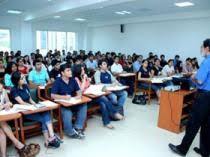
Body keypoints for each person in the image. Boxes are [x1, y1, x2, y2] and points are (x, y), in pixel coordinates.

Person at [168, 39, 210, 157]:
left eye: (202, 46)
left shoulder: (207, 61)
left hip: (204, 96)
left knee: (193, 123)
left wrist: (193, 77)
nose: (201, 48)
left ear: (207, 48)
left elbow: (200, 80)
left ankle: (182, 149)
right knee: (207, 124)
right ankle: (205, 151)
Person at [10, 71, 60, 148]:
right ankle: (50, 139)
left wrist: (36, 105)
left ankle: (50, 138)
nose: (24, 79)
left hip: (32, 109)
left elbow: (30, 99)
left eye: (24, 77)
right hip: (24, 113)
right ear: (17, 81)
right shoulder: (13, 90)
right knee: (44, 119)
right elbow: (22, 103)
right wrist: (32, 107)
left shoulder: (25, 86)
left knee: (46, 112)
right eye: (22, 78)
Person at [73, 64, 123, 129]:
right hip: (84, 98)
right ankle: (114, 113)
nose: (83, 70)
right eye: (82, 69)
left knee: (103, 103)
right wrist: (84, 80)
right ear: (78, 70)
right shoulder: (76, 79)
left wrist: (88, 81)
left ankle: (106, 123)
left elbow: (89, 86)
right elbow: (81, 90)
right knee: (103, 98)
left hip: (91, 95)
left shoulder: (84, 76)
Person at [0, 83, 40, 157]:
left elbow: (9, 102)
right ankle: (18, 144)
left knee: (1, 131)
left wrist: (8, 104)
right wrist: (2, 106)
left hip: (2, 117)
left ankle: (4, 155)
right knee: (3, 124)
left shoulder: (3, 90)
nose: (1, 89)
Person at [51, 63, 87, 139]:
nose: (70, 72)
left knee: (83, 105)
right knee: (68, 112)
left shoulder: (73, 80)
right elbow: (52, 95)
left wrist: (79, 96)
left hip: (72, 102)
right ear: (62, 73)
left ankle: (78, 127)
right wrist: (64, 97)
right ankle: (70, 132)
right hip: (62, 105)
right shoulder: (58, 81)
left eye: (70, 70)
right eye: (68, 70)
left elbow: (79, 92)